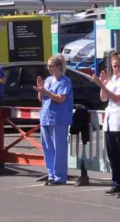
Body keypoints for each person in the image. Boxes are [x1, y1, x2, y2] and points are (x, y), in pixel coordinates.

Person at [92, 52, 120, 198]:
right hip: (110, 119)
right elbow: (104, 97)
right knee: (113, 154)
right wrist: (104, 85)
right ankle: (117, 182)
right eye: (113, 66)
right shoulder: (113, 79)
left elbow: (117, 98)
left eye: (118, 66)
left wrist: (103, 86)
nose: (116, 69)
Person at [32, 54, 73, 185]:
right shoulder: (48, 80)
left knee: (59, 149)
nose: (49, 69)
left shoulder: (65, 81)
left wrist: (46, 91)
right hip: (46, 117)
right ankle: (51, 174)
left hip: (59, 118)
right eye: (48, 67)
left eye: (52, 66)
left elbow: (60, 98)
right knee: (48, 147)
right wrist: (40, 90)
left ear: (59, 67)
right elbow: (41, 98)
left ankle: (60, 176)